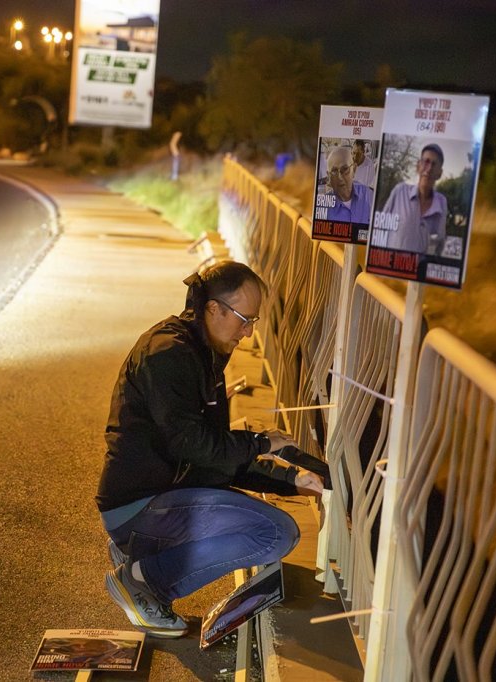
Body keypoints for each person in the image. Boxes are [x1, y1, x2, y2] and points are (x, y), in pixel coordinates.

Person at [96, 261, 325, 638]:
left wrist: (290, 479)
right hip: (139, 503)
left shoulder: (201, 352)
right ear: (213, 308)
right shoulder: (169, 353)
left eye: (254, 321)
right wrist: (262, 443)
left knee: (271, 527)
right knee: (274, 533)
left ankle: (145, 553)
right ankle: (143, 580)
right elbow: (196, 445)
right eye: (244, 319)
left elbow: (216, 457)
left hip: (158, 494)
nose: (249, 333)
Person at [376, 143, 448, 255]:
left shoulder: (441, 202)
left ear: (439, 173)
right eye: (426, 162)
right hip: (388, 266)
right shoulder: (400, 191)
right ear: (418, 166)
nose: (428, 169)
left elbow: (439, 243)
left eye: (434, 164)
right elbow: (380, 227)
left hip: (419, 270)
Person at [323, 146, 374, 225]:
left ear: (354, 170)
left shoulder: (370, 197)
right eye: (334, 171)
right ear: (329, 176)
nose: (340, 177)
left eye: (345, 169)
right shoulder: (323, 206)